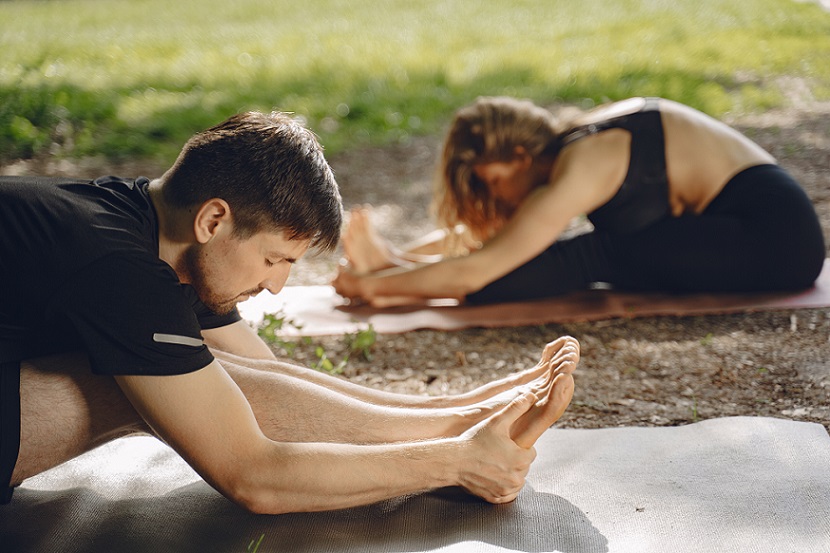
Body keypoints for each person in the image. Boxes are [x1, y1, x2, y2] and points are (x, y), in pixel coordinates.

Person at [0, 110, 578, 514]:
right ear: (214, 220)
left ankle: (457, 420)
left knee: (216, 381)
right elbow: (254, 476)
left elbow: (270, 381)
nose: (276, 287)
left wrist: (452, 411)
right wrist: (451, 463)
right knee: (112, 386)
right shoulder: (115, 264)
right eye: (275, 259)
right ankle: (462, 436)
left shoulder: (153, 230)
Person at [333, 96, 826, 306]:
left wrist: (375, 288)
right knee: (590, 249)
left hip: (776, 240)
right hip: (751, 229)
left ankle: (385, 272)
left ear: (522, 157)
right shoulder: (575, 145)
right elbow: (498, 241)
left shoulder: (584, 164)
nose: (493, 196)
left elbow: (478, 268)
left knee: (594, 253)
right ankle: (390, 265)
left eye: (493, 181)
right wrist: (396, 263)